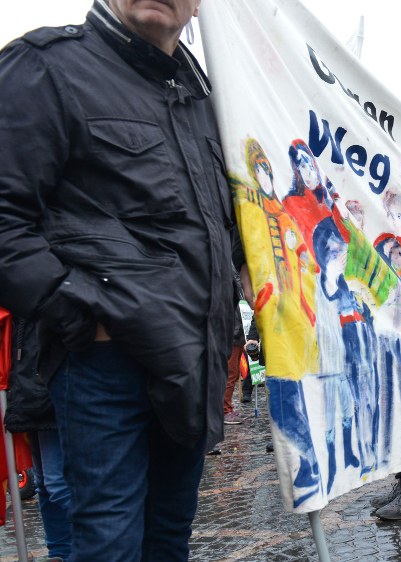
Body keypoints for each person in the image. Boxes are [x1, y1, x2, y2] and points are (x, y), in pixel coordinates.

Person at [0, 2, 235, 558]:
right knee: (108, 546)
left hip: (192, 361)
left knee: (167, 543)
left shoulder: (205, 97)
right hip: (103, 365)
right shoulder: (47, 68)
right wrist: (74, 312)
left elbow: (219, 222)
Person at [5, 317, 72, 560]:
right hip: (30, 397)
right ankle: (61, 551)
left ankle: (104, 542)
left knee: (57, 483)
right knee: (45, 482)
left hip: (46, 395)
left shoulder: (33, 298)